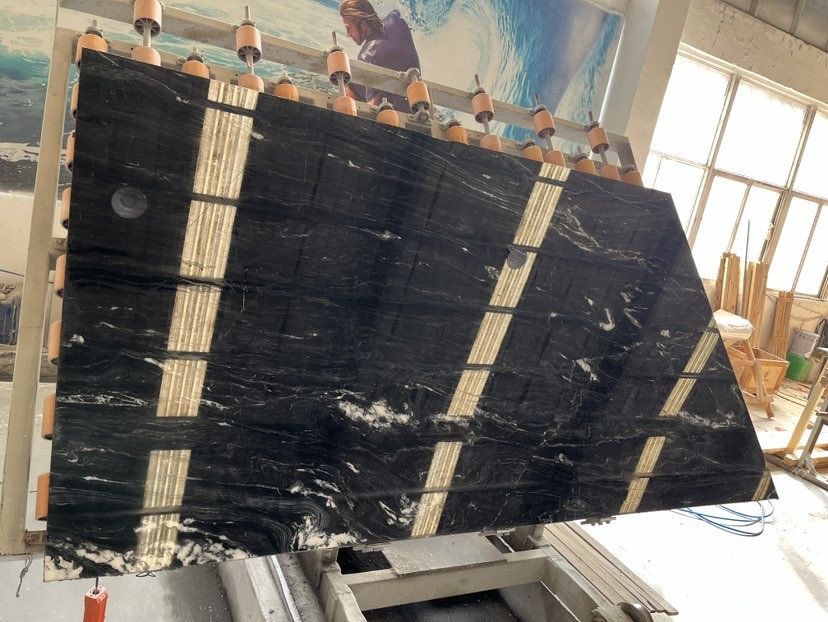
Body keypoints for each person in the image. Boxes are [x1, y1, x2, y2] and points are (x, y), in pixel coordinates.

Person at [339, 0, 421, 111]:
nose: (348, 34)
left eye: (349, 28)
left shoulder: (368, 56)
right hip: (417, 97)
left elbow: (373, 107)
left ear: (363, 25)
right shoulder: (396, 19)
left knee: (349, 81)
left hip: (396, 110)